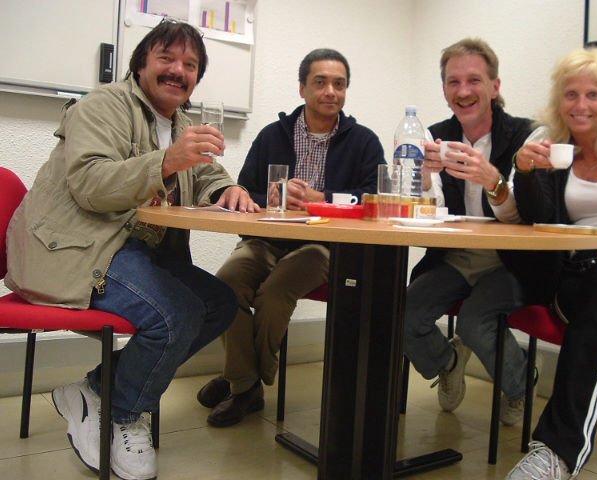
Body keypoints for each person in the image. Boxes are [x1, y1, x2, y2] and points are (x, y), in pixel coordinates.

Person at [5, 19, 259, 480]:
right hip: (72, 249)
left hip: (127, 252)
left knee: (220, 302)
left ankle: (95, 390)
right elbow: (89, 184)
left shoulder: (180, 124)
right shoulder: (102, 106)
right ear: (141, 63)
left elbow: (206, 173)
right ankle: (121, 416)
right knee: (176, 314)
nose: (178, 71)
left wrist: (229, 188)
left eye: (190, 65)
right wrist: (166, 162)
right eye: (166, 58)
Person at [196, 48, 386, 427]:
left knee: (275, 292)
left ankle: (242, 383)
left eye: (339, 84)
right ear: (302, 88)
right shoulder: (272, 135)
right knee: (224, 287)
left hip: (324, 245)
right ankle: (245, 379)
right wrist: (263, 198)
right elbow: (241, 193)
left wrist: (322, 200)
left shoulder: (364, 141)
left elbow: (374, 204)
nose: (330, 91)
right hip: (265, 240)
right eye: (320, 82)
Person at [506, 48, 597, 480]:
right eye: (571, 94)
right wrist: (523, 172)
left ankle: (557, 453)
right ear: (559, 101)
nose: (581, 105)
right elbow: (534, 218)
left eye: (593, 95)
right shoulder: (551, 150)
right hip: (578, 278)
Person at [403, 38, 539, 426]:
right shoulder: (435, 135)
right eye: (452, 82)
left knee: (475, 323)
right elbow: (430, 218)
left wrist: (494, 181)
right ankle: (448, 362)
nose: (463, 92)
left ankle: (519, 386)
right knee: (405, 314)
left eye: (474, 80)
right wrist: (425, 180)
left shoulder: (526, 135)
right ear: (444, 88)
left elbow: (527, 218)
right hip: (454, 256)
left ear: (495, 87)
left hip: (510, 261)